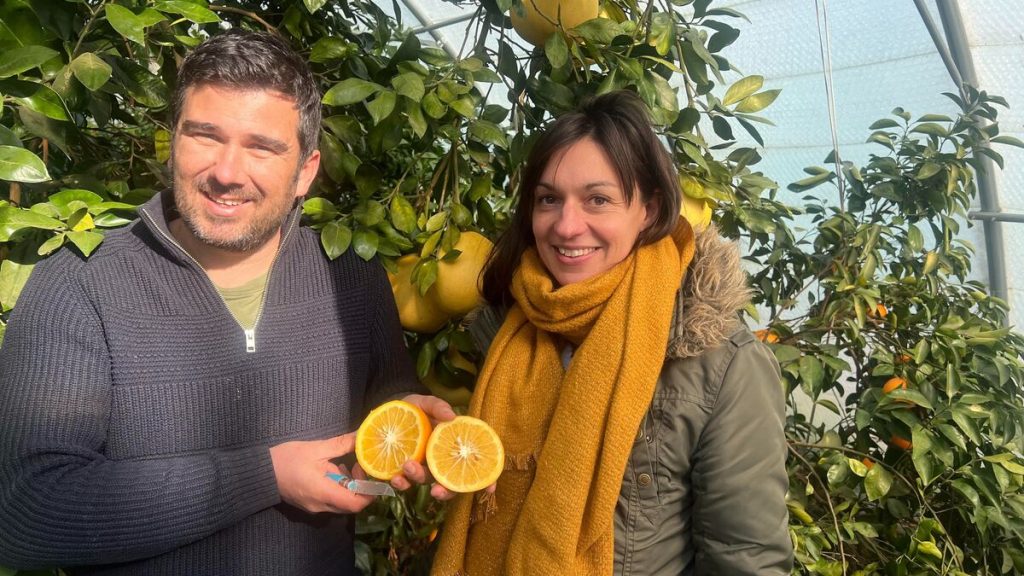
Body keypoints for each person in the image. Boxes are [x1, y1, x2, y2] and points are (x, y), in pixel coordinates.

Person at [0, 30, 452, 575]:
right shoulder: (80, 284)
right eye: (205, 136)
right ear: (173, 140)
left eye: (262, 147)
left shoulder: (350, 280)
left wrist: (411, 411)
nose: (227, 173)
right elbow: (22, 514)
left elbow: (384, 398)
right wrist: (265, 476)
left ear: (304, 172)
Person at [430, 90, 793, 575]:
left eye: (598, 199)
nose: (566, 225)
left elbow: (745, 561)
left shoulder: (719, 362)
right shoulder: (508, 332)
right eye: (548, 199)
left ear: (648, 208)